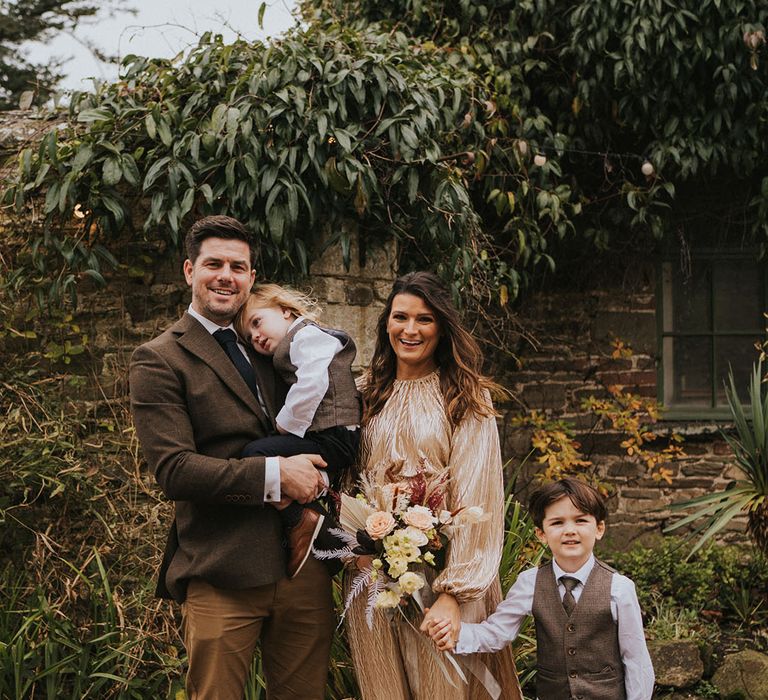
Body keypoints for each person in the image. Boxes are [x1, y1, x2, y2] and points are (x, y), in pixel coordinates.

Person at [129, 215, 335, 700]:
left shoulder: (271, 345)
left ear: (251, 278)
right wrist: (275, 474)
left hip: (303, 569)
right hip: (221, 570)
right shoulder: (159, 358)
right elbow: (175, 470)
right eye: (214, 264)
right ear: (188, 271)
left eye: (238, 267)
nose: (226, 275)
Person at [346, 270, 523, 700]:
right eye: (400, 317)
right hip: (373, 578)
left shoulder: (465, 395)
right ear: (385, 322)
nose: (410, 330)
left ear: (441, 327)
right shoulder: (363, 393)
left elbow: (479, 496)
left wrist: (453, 595)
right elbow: (345, 481)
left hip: (443, 571)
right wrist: (357, 549)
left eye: (424, 319)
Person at [427, 478, 655, 700]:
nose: (570, 530)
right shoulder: (529, 582)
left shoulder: (620, 588)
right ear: (541, 534)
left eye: (581, 520)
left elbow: (635, 660)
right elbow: (497, 632)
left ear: (599, 528)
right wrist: (453, 633)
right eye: (557, 523)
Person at [234, 283, 361, 578]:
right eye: (250, 336)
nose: (256, 336)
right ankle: (336, 544)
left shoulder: (306, 336)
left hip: (334, 435)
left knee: (256, 455)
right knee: (290, 475)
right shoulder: (298, 341)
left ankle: (302, 520)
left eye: (257, 322)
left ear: (286, 311)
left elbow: (312, 384)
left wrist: (285, 425)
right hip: (331, 436)